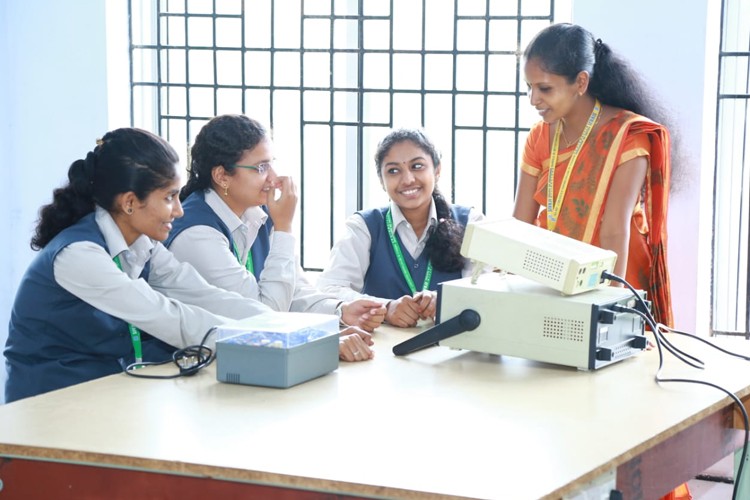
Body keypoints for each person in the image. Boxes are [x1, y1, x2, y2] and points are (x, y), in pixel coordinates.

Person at [5, 128, 273, 403]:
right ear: (130, 202)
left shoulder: (143, 243)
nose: (179, 210)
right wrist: (250, 341)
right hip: (47, 404)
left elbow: (202, 294)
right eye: (169, 197)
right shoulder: (78, 255)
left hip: (104, 394)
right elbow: (166, 315)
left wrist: (275, 324)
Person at [165, 114, 385, 362]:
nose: (274, 177)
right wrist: (284, 228)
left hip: (248, 358)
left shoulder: (256, 212)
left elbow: (294, 290)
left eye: (271, 163)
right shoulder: (197, 234)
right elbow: (265, 316)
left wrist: (340, 312)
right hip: (194, 365)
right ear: (222, 176)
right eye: (261, 168)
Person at [513, 23, 674, 328]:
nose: (533, 99)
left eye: (544, 88)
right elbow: (521, 222)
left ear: (581, 82)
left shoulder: (628, 136)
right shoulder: (539, 136)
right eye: (529, 87)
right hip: (555, 274)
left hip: (614, 278)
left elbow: (615, 229)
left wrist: (608, 312)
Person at [316, 128, 486, 328]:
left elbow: (485, 288)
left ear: (437, 171)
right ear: (381, 180)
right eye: (393, 171)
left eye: (417, 166)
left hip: (454, 350)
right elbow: (329, 288)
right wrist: (386, 308)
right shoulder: (364, 227)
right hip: (377, 352)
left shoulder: (471, 222)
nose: (407, 180)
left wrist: (446, 301)